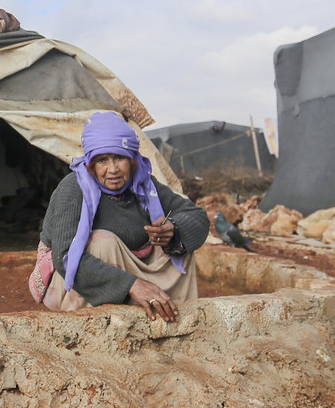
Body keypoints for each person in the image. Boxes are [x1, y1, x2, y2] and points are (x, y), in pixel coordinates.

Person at [29, 112, 208, 322]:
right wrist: (131, 285)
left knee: (182, 240)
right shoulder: (73, 188)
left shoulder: (144, 184)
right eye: (102, 160)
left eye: (120, 158)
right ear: (91, 164)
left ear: (132, 160)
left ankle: (174, 318)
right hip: (72, 280)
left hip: (127, 269)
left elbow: (197, 217)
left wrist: (173, 230)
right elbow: (65, 257)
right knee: (103, 243)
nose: (112, 169)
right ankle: (92, 325)